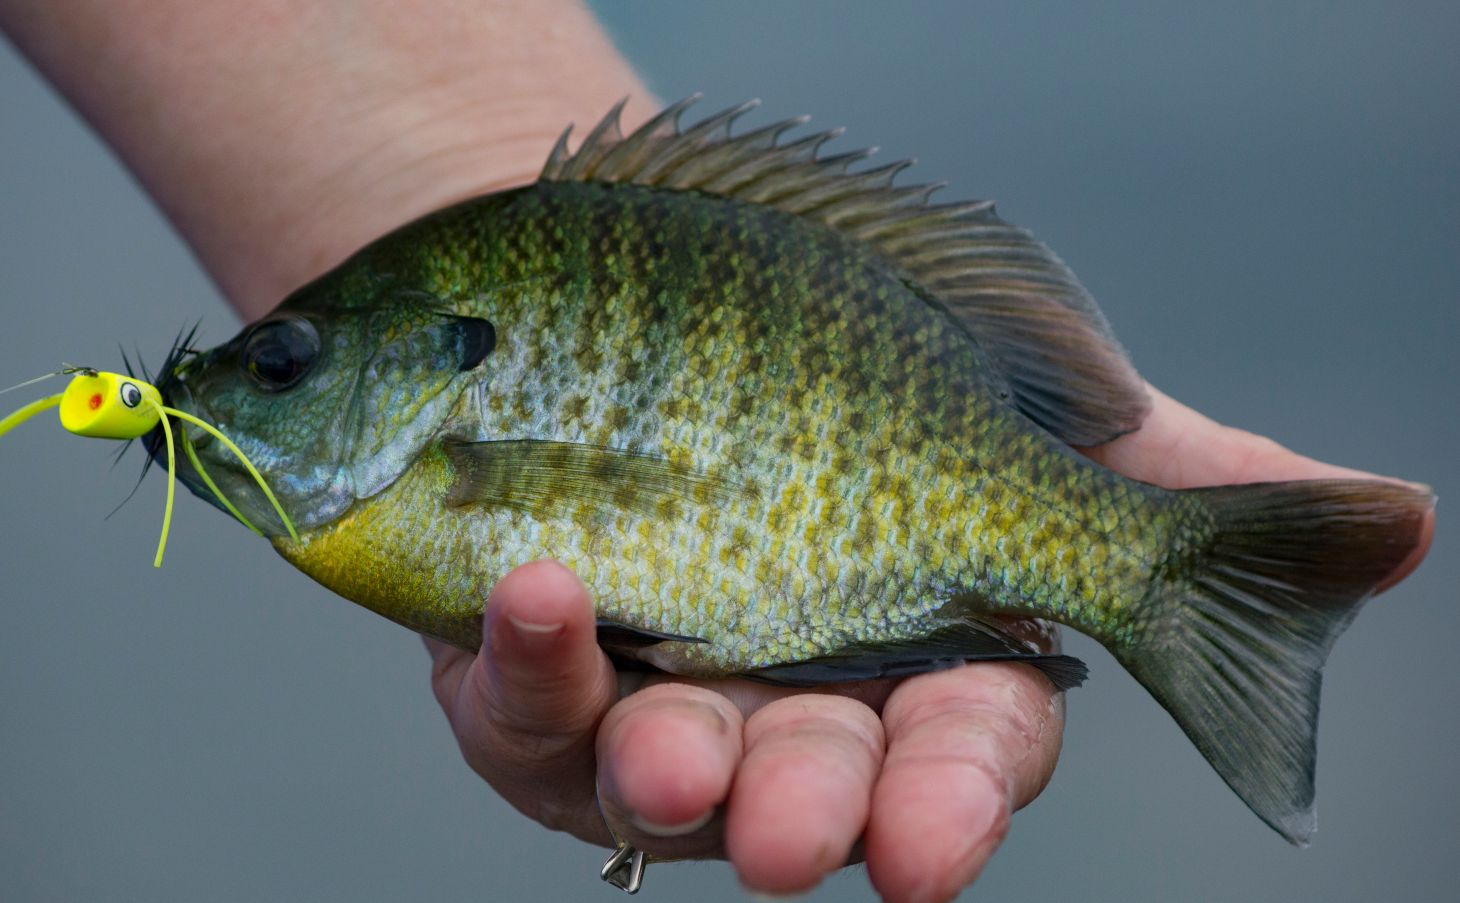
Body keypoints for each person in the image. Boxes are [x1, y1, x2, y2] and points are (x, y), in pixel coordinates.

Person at [1, 2, 1431, 901]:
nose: (247, 392)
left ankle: (1163, 578)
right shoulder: (402, 461)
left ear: (426, 356)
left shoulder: (436, 439)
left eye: (285, 365)